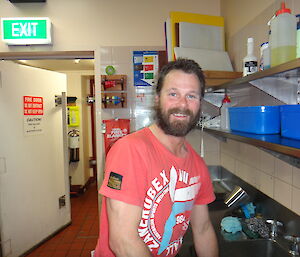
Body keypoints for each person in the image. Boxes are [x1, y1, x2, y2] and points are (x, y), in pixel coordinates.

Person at [94, 58, 218, 257]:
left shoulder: (197, 166)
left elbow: (203, 229)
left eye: (192, 96)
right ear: (157, 98)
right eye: (173, 94)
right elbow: (123, 242)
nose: (182, 104)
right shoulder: (129, 150)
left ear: (200, 104)